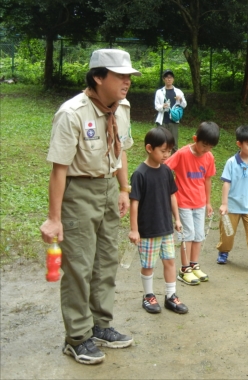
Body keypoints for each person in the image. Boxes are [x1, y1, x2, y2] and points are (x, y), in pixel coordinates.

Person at [39, 49, 139, 365]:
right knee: (79, 266)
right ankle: (77, 336)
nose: (127, 82)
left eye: (128, 76)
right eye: (120, 76)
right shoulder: (72, 113)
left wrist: (123, 188)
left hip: (109, 187)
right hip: (78, 190)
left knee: (106, 260)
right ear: (98, 77)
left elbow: (121, 149)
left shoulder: (121, 108)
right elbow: (59, 169)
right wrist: (54, 219)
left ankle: (100, 325)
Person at [129, 127, 188, 315]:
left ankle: (171, 296)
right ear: (149, 148)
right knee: (148, 265)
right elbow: (134, 203)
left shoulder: (166, 171)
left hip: (166, 228)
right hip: (148, 230)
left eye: (169, 150)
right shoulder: (140, 173)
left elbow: (172, 196)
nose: (166, 154)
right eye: (163, 151)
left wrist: (177, 219)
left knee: (170, 261)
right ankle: (148, 296)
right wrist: (134, 229)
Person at [165, 122, 220, 285]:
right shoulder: (182, 153)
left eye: (210, 147)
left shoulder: (209, 157)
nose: (206, 150)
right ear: (195, 139)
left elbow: (207, 179)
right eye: (204, 145)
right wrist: (170, 191)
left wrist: (208, 202)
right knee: (187, 235)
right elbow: (166, 168)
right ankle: (184, 269)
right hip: (183, 202)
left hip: (200, 202)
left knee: (198, 235)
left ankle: (194, 264)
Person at [216, 125, 248, 276]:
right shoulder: (231, 162)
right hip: (231, 206)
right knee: (227, 233)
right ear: (239, 144)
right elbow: (226, 183)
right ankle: (223, 252)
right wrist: (224, 204)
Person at [154, 69, 187, 153]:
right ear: (163, 79)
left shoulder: (178, 92)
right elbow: (156, 106)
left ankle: (173, 164)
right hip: (162, 121)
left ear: (173, 79)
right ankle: (161, 163)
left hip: (173, 121)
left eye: (171, 77)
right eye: (167, 77)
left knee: (174, 144)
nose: (169, 79)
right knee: (161, 143)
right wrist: (162, 106)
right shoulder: (159, 92)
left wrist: (181, 99)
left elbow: (184, 105)